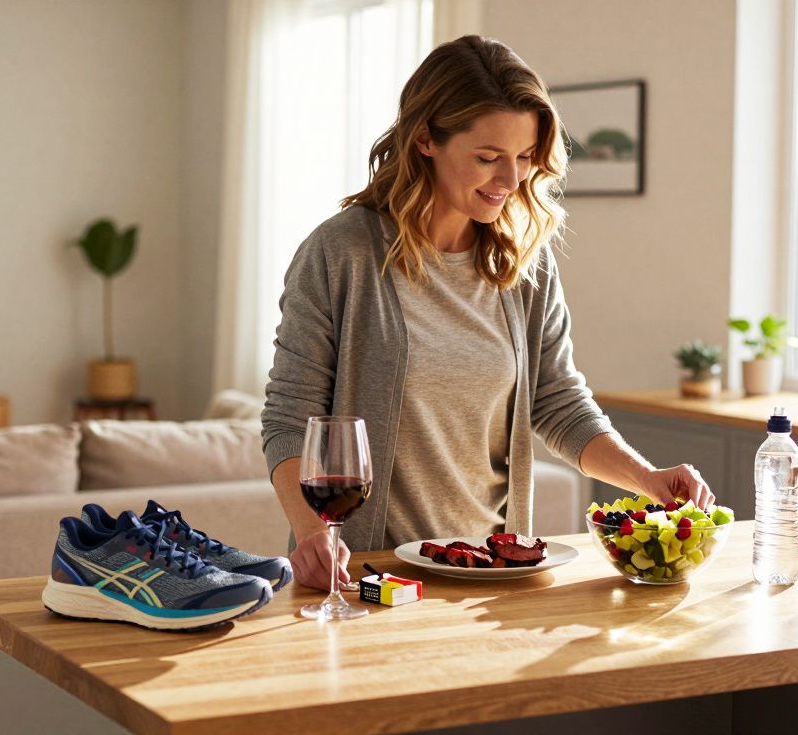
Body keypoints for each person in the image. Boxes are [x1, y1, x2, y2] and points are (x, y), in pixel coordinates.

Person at [262, 35, 717, 591]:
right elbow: (290, 421)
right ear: (425, 138)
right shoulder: (340, 255)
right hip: (368, 578)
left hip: (493, 578)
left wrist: (646, 478)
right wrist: (314, 535)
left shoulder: (524, 260)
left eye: (524, 157)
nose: (511, 180)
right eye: (487, 157)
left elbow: (558, 403)